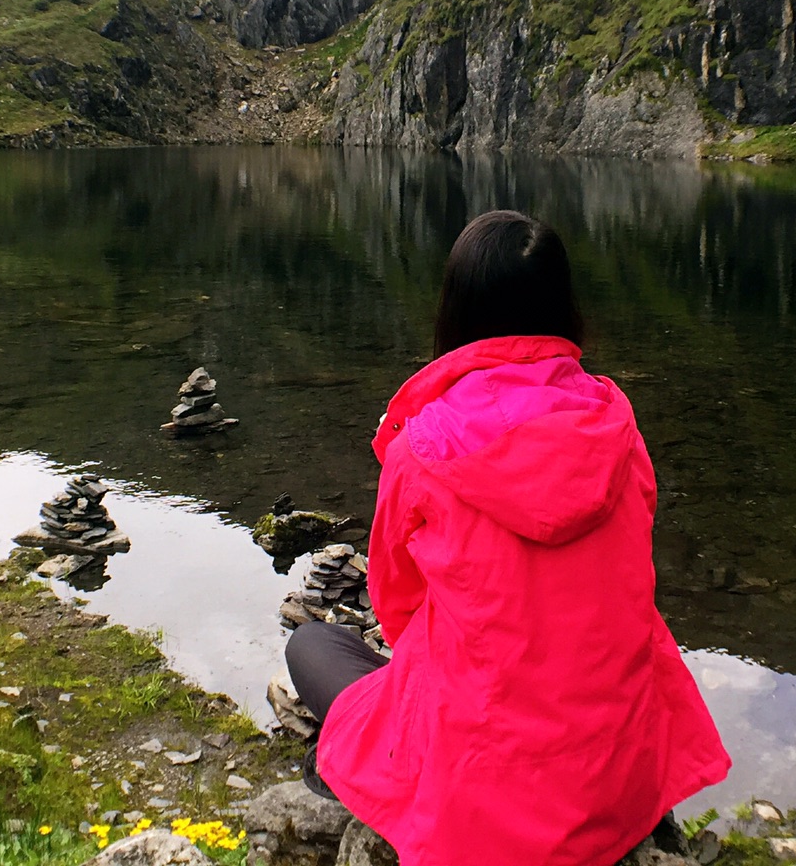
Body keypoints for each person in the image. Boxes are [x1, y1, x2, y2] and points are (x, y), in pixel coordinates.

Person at [286, 210, 730, 865]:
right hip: (613, 783)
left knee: (314, 643)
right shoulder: (617, 425)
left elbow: (398, 609)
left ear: (455, 309)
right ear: (562, 305)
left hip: (481, 799)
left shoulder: (423, 447)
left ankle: (364, 774)